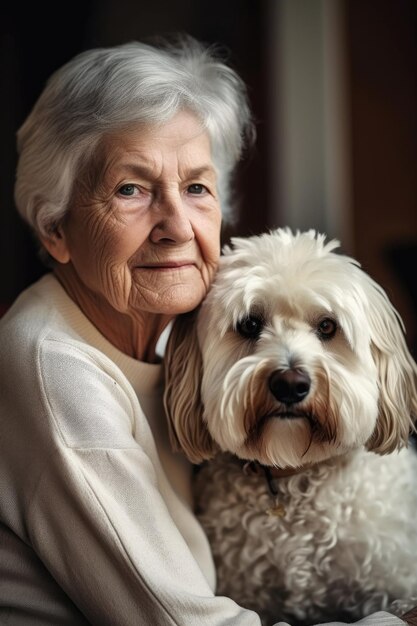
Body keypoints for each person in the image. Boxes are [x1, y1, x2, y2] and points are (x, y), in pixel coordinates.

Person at [0, 35, 414, 626]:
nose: (175, 225)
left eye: (195, 187)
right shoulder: (55, 371)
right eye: (131, 190)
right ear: (55, 230)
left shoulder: (170, 339)